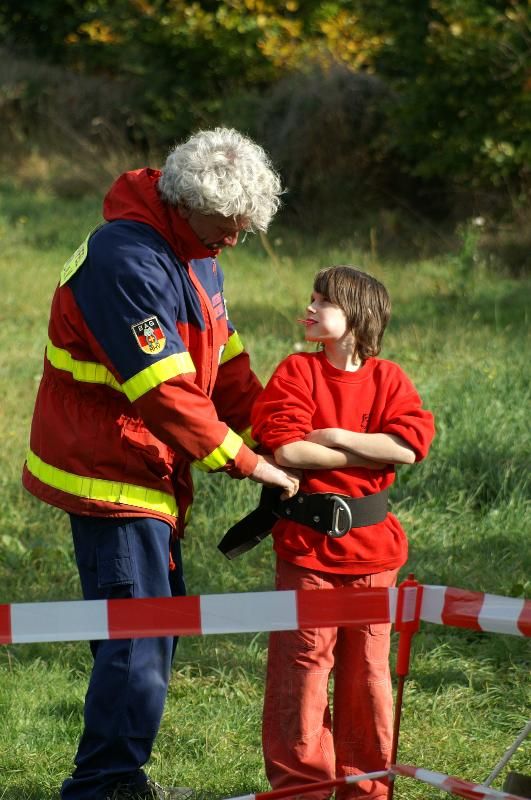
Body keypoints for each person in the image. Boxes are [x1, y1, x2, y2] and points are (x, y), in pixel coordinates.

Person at [22, 127, 299, 800]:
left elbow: (223, 359)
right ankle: (103, 785)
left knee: (150, 630)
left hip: (147, 464)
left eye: (244, 226)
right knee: (138, 637)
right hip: (109, 469)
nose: (236, 238)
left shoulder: (197, 249)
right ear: (186, 202)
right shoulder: (125, 259)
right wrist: (248, 463)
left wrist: (274, 432)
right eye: (227, 225)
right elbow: (166, 392)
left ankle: (118, 774)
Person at [250, 266, 435, 800]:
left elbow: (408, 447)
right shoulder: (297, 371)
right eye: (311, 298)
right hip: (308, 550)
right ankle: (302, 789)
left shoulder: (388, 379)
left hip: (374, 554)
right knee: (303, 672)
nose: (309, 308)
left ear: (356, 314)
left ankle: (366, 789)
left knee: (368, 677)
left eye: (322, 301)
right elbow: (287, 448)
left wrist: (333, 435)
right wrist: (369, 449)